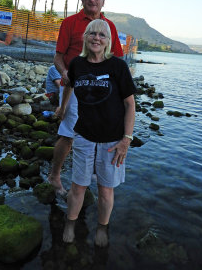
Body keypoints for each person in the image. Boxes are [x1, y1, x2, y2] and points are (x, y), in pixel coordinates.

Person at [56, 19, 136, 247]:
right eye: (92, 34)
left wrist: (126, 140)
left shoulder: (118, 67)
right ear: (85, 37)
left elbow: (130, 105)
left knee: (105, 190)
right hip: (84, 135)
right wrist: (63, 107)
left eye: (102, 35)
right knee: (78, 186)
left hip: (112, 140)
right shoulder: (77, 64)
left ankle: (102, 227)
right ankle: (70, 223)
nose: (97, 38)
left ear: (108, 40)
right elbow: (69, 84)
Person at [48, 0, 124, 196]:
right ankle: (54, 175)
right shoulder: (70, 23)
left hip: (101, 89)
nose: (92, 0)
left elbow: (115, 57)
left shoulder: (109, 26)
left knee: (98, 131)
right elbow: (58, 56)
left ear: (103, 1)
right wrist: (64, 73)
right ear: (82, 0)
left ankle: (90, 171)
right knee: (68, 134)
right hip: (75, 86)